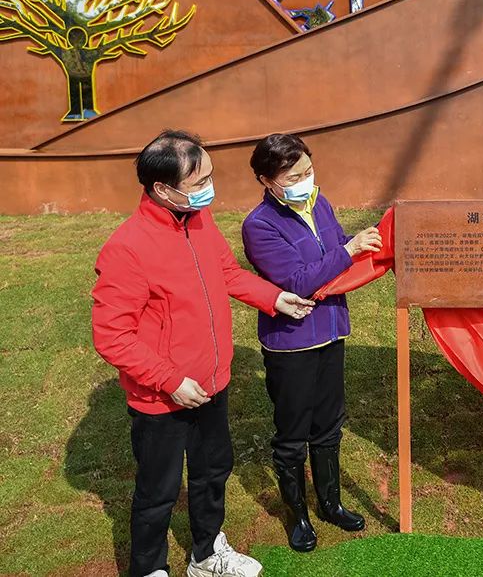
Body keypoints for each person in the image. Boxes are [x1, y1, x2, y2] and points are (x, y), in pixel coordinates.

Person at [92, 131, 317, 577]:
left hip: (212, 381)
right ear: (162, 189)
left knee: (213, 472)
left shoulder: (198, 219)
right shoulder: (127, 248)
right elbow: (112, 335)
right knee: (158, 490)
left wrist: (273, 298)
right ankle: (149, 568)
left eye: (209, 178)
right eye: (199, 183)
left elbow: (227, 272)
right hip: (162, 396)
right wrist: (170, 380)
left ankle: (207, 554)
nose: (209, 190)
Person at [241, 134, 382, 552]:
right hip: (292, 343)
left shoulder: (319, 203)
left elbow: (333, 250)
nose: (305, 180)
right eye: (293, 176)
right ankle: (297, 515)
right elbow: (297, 281)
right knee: (292, 434)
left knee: (329, 423)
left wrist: (361, 244)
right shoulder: (259, 226)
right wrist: (349, 251)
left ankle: (330, 503)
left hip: (331, 330)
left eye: (308, 170)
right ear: (267, 180)